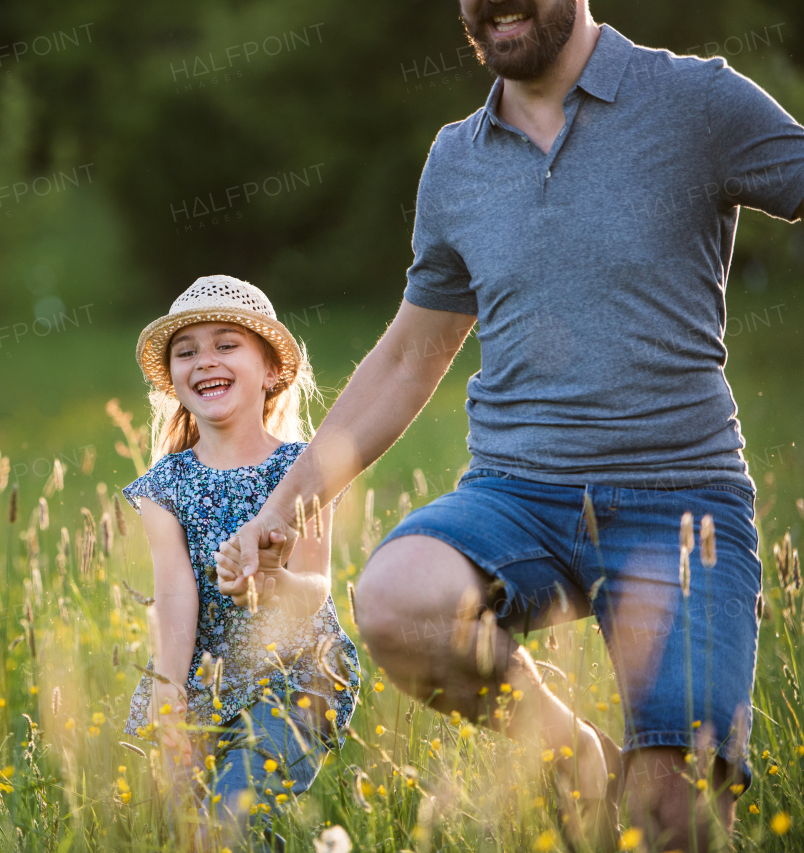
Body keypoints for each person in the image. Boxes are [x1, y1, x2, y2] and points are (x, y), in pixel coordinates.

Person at [228, 2, 804, 852]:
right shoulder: (455, 160)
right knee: (396, 599)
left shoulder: (697, 102)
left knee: (672, 822)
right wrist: (283, 506)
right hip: (517, 496)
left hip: (680, 504)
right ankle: (579, 764)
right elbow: (407, 358)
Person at [120, 275, 361, 851]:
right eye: (187, 351)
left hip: (297, 678)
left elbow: (316, 592)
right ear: (174, 380)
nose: (205, 360)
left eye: (226, 344)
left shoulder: (305, 469)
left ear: (272, 371)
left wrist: (272, 582)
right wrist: (170, 698)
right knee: (196, 836)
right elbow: (175, 599)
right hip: (207, 685)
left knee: (230, 824)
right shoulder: (165, 487)